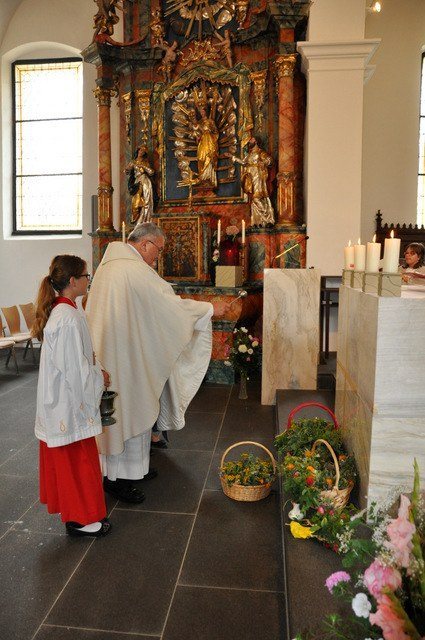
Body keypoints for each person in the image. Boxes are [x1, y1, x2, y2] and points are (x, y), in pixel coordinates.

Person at [86, 223, 229, 503]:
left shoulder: (110, 264)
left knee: (121, 414)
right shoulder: (133, 269)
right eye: (158, 251)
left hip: (116, 351)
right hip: (124, 358)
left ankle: (130, 471)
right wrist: (210, 308)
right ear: (145, 244)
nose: (157, 257)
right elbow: (169, 307)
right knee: (127, 411)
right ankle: (118, 479)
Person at [32, 255, 111, 537]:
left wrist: (95, 369)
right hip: (69, 404)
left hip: (68, 400)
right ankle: (81, 519)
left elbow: (80, 360)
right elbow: (74, 372)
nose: (89, 280)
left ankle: (80, 514)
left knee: (77, 461)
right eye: (86, 276)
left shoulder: (68, 311)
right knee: (76, 463)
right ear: (73, 281)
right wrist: (97, 379)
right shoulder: (65, 318)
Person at [233, 137, 275, 227]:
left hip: (258, 175)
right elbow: (244, 162)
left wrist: (264, 163)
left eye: (251, 140)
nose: (249, 141)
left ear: (256, 141)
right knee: (253, 198)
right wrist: (233, 158)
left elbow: (269, 160)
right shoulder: (250, 153)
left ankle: (267, 218)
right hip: (250, 176)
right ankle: (258, 221)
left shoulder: (260, 152)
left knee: (257, 196)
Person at [126, 146, 154, 225]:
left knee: (146, 199)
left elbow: (151, 172)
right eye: (140, 150)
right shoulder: (133, 162)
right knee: (135, 202)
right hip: (137, 181)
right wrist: (127, 169)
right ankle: (136, 218)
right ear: (138, 151)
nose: (141, 152)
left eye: (143, 151)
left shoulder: (145, 162)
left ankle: (145, 219)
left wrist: (143, 166)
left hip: (145, 180)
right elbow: (127, 170)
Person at [193, 106, 219, 188]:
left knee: (209, 157)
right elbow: (197, 134)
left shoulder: (210, 121)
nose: (202, 113)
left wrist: (209, 133)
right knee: (201, 158)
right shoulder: (199, 122)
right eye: (201, 112)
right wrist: (198, 137)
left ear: (206, 112)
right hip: (202, 142)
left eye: (203, 111)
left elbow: (216, 132)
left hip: (210, 142)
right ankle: (202, 178)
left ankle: (209, 179)